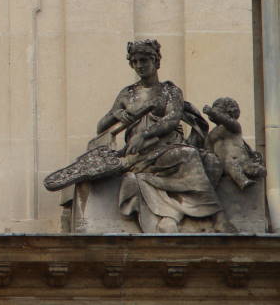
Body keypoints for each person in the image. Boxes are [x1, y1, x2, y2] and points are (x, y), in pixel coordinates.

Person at [96, 39, 236, 233]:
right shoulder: (127, 94)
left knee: (203, 159)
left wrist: (144, 135)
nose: (139, 65)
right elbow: (101, 127)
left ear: (156, 62)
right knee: (189, 155)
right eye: (135, 61)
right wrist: (114, 114)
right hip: (138, 155)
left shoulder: (169, 91)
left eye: (144, 60)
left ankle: (182, 215)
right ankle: (213, 216)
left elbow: (172, 119)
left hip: (165, 147)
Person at [203, 97, 265, 190]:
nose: (214, 109)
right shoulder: (212, 134)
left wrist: (212, 112)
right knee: (224, 164)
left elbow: (226, 121)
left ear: (229, 112)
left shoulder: (234, 126)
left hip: (239, 160)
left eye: (217, 107)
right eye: (213, 107)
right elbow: (208, 149)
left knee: (231, 163)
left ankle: (244, 181)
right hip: (221, 164)